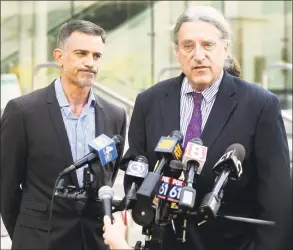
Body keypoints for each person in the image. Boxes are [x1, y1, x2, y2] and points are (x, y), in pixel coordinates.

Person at [121, 5, 292, 250]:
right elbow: (133, 167)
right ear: (177, 53)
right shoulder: (149, 102)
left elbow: (278, 201)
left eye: (208, 45)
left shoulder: (260, 105)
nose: (198, 54)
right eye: (188, 46)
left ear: (225, 49)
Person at [1, 20, 126, 250]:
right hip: (39, 242)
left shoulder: (115, 115)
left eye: (97, 56)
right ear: (59, 56)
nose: (90, 63)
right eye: (81, 53)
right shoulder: (23, 112)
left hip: (94, 242)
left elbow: (108, 176)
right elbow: (6, 187)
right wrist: (26, 235)